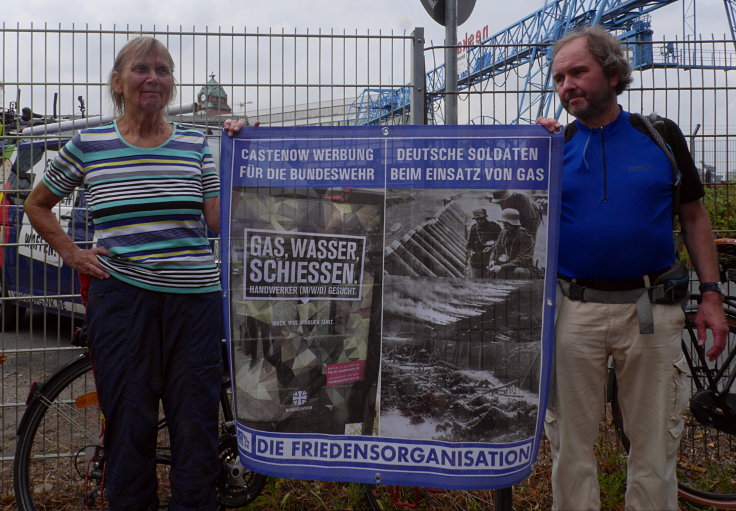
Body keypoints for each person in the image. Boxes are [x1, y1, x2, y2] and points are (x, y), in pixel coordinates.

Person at [24, 36, 231, 510]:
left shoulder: (195, 142)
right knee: (129, 426)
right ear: (118, 81)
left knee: (196, 427)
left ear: (173, 83)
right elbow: (38, 205)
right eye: (141, 68)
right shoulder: (89, 144)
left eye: (163, 69)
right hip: (122, 303)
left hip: (194, 304)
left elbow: (218, 219)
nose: (153, 77)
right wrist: (74, 254)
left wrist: (247, 146)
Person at [536, 25, 728, 510]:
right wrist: (526, 149)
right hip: (573, 312)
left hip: (652, 310)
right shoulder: (552, 149)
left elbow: (693, 217)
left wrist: (711, 296)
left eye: (578, 72)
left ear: (614, 73)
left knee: (655, 445)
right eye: (558, 78)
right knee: (570, 448)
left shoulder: (659, 137)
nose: (566, 86)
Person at [487, 208, 535, 279]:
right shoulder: (503, 233)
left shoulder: (525, 236)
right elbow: (496, 248)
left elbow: (522, 260)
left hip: (520, 267)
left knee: (519, 271)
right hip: (505, 265)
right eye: (503, 223)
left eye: (506, 224)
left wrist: (502, 267)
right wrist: (492, 260)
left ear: (513, 224)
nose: (504, 226)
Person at [467, 207, 502, 278]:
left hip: (491, 260)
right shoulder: (474, 228)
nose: (480, 221)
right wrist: (471, 252)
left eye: (482, 218)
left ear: (485, 217)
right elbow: (469, 244)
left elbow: (502, 242)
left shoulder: (494, 227)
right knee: (475, 281)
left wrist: (492, 247)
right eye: (477, 219)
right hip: (477, 261)